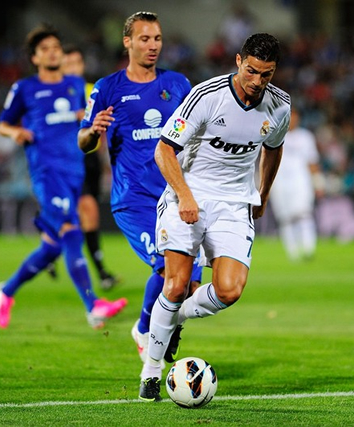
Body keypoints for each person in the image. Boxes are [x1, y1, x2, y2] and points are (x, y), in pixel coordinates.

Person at [138, 32, 291, 401]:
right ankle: (151, 373)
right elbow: (164, 151)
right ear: (239, 61)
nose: (257, 82)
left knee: (230, 290)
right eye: (252, 71)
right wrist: (186, 197)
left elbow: (273, 149)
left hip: (235, 203)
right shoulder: (207, 96)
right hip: (187, 195)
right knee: (174, 285)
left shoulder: (280, 106)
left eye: (266, 74)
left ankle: (175, 319)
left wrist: (264, 194)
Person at [78, 11, 203, 366]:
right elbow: (82, 141)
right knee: (166, 266)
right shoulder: (107, 88)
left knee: (189, 286)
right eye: (145, 39)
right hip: (132, 199)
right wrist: (92, 132)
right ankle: (148, 334)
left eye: (158, 39)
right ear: (127, 42)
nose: (153, 46)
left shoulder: (179, 84)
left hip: (174, 195)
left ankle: (149, 328)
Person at [0, 24, 127, 330]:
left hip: (74, 170)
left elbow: (85, 123)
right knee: (71, 231)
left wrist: (88, 121)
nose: (53, 51)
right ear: (35, 58)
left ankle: (6, 290)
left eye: (56, 47)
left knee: (53, 245)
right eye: (46, 49)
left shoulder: (75, 85)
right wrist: (16, 131)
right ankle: (93, 305)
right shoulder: (24, 88)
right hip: (46, 171)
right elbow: (2, 124)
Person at [57, 44, 118, 290]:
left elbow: (105, 128)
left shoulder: (92, 90)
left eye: (77, 63)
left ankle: (51, 248)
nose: (73, 68)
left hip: (90, 160)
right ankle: (102, 272)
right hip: (68, 160)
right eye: (68, 64)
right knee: (88, 209)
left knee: (81, 215)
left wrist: (106, 160)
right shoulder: (55, 95)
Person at [269, 107, 324, 261]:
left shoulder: (306, 137)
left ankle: (308, 249)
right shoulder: (273, 135)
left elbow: (312, 162)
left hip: (301, 181)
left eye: (294, 117)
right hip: (279, 182)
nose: (291, 120)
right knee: (285, 218)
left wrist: (318, 183)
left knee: (303, 214)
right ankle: (292, 253)